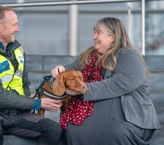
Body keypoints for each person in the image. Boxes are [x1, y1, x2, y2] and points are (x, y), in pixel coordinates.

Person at [51, 17, 161, 145]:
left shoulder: (129, 55)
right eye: (94, 32)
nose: (93, 37)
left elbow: (120, 84)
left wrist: (82, 90)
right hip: (95, 115)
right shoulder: (89, 55)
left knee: (115, 132)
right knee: (73, 130)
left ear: (112, 37)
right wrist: (59, 70)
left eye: (98, 32)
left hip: (128, 116)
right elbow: (70, 70)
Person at [0, 5, 62, 145]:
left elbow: (25, 83)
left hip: (17, 113)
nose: (17, 29)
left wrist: (28, 99)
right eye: (14, 25)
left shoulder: (18, 50)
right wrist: (37, 103)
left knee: (53, 130)